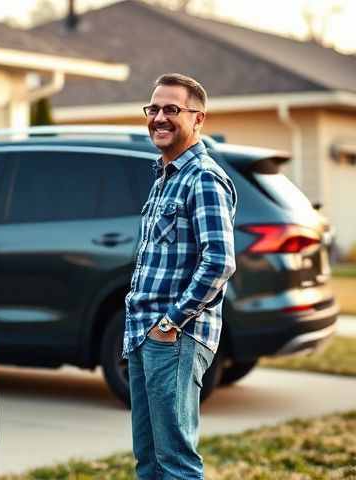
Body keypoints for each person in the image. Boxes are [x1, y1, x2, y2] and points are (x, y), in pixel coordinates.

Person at [124, 73, 237, 479]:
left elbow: (220, 261)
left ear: (198, 118)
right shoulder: (164, 176)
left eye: (171, 109)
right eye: (153, 109)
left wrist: (171, 322)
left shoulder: (203, 177)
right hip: (143, 333)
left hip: (174, 337)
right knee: (149, 460)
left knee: (176, 462)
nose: (158, 118)